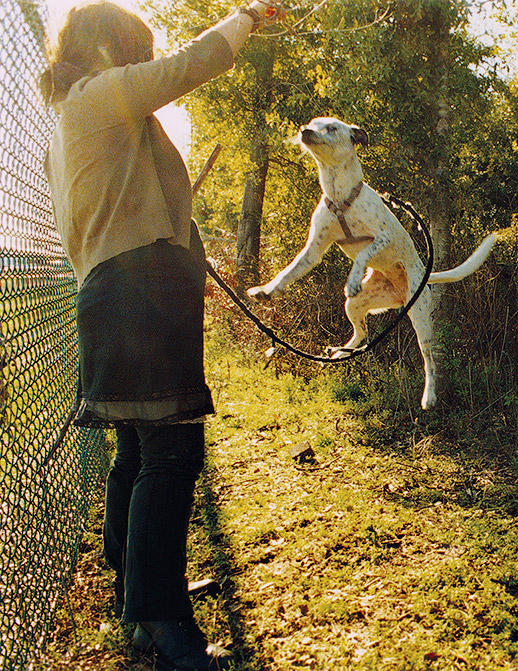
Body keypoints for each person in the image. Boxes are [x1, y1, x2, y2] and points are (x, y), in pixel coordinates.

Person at [41, 1, 282, 668]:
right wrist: (244, 20)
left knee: (139, 451)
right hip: (138, 290)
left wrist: (186, 261)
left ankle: (140, 595)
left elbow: (133, 201)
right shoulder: (100, 94)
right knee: (172, 456)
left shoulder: (66, 124)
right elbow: (190, 65)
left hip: (113, 292)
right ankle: (162, 615)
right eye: (137, 50)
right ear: (113, 47)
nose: (145, 62)